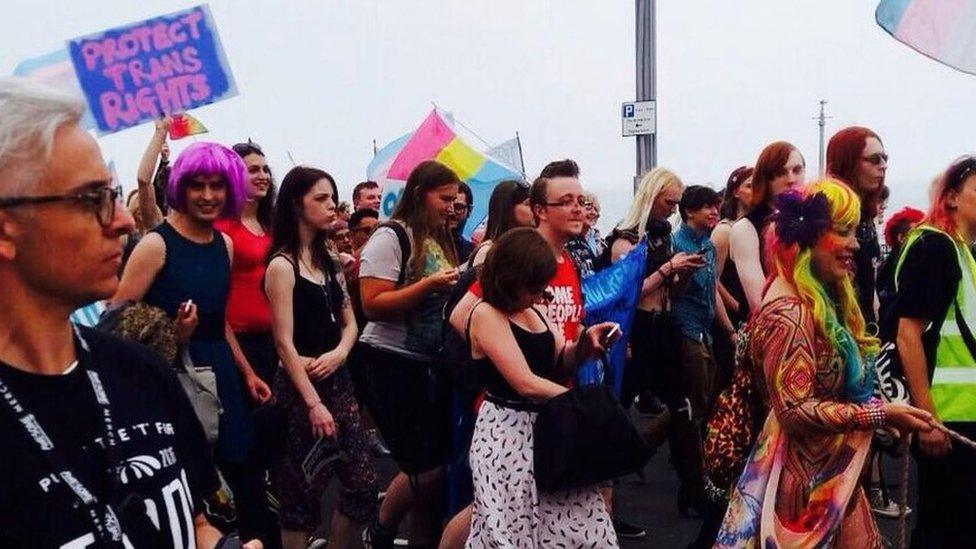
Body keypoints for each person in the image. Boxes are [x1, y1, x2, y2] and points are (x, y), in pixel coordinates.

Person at [0, 77, 260, 548]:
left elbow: (196, 519)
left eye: (114, 195)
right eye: (90, 199)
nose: (122, 221)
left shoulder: (139, 373)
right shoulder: (159, 248)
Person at [716, 179, 934, 548]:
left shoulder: (810, 304)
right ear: (807, 236)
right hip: (802, 492)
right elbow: (794, 410)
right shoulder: (791, 314)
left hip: (826, 476)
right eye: (842, 232)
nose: (854, 244)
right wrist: (880, 415)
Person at [113, 141, 271, 541]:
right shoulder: (156, 244)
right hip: (170, 381)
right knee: (191, 488)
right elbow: (112, 327)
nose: (207, 195)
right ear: (180, 187)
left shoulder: (226, 244)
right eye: (197, 185)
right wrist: (173, 336)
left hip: (222, 376)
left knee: (239, 473)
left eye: (217, 186)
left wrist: (247, 372)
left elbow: (220, 322)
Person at [463, 228, 621, 548]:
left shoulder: (534, 309)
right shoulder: (485, 314)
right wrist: (584, 403)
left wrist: (585, 346)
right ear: (511, 279)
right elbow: (524, 382)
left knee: (578, 526)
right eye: (534, 287)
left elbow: (560, 361)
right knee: (508, 529)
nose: (541, 294)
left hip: (546, 429)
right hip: (505, 434)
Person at [264, 166, 376, 549]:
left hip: (338, 382)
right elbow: (283, 342)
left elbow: (350, 323)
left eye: (332, 197)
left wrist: (340, 354)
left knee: (362, 484)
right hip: (299, 389)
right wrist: (313, 402)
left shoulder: (330, 261)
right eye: (321, 198)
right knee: (300, 494)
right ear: (297, 205)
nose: (332, 206)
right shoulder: (282, 266)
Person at [359, 160, 460, 548]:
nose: (451, 207)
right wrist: (429, 286)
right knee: (425, 468)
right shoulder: (392, 237)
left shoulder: (437, 238)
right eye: (445, 198)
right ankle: (381, 528)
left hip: (425, 362)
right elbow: (373, 302)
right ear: (420, 194)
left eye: (455, 200)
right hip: (389, 358)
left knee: (436, 470)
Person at [893, 156, 976, 548]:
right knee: (945, 530)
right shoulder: (935, 247)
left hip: (964, 413)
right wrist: (927, 418)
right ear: (953, 197)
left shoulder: (963, 251)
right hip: (948, 418)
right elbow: (908, 334)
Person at [729, 141, 806, 312]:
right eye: (781, 173)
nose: (791, 179)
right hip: (774, 327)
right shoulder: (745, 228)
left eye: (797, 170)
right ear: (766, 178)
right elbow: (760, 304)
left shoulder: (813, 220)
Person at [827, 126, 888, 325]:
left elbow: (868, 283)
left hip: (865, 330)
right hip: (836, 329)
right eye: (874, 159)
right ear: (848, 162)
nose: (883, 165)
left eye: (885, 158)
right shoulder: (828, 214)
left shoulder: (866, 215)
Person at [463, 179, 533, 269]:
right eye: (528, 204)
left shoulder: (531, 249)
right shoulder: (487, 252)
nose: (534, 210)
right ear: (508, 208)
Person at [449, 182, 474, 263]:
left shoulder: (471, 252)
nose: (451, 211)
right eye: (448, 204)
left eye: (458, 207)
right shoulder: (424, 244)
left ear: (469, 210)